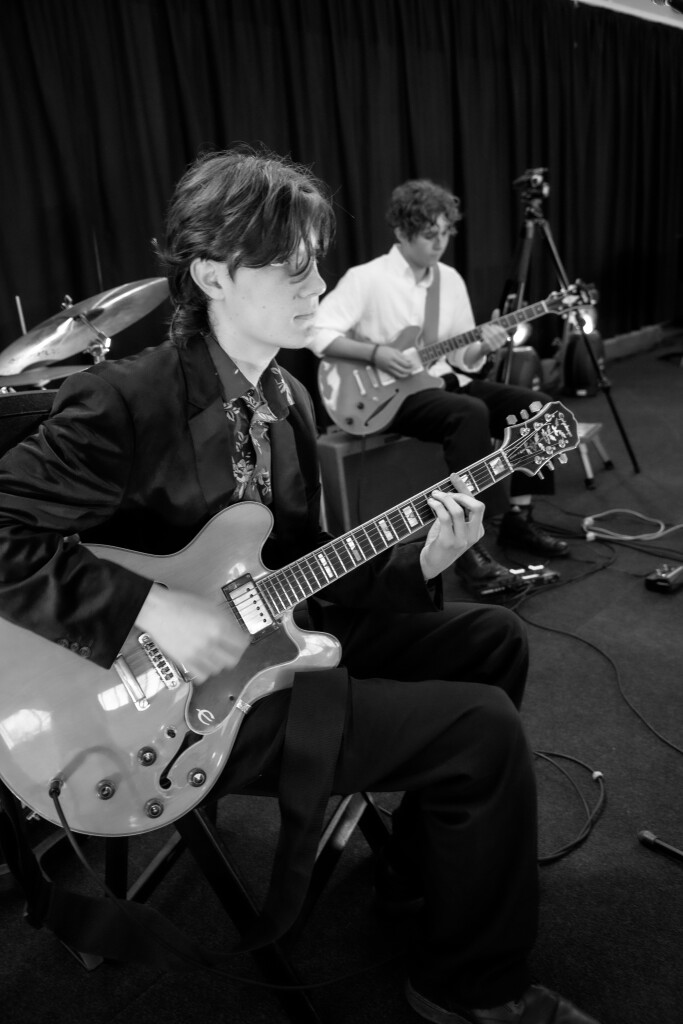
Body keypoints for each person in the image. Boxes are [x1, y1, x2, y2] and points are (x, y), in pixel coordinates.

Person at [0, 147, 599, 1024]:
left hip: (269, 647)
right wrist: (153, 609)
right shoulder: (123, 400)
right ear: (212, 274)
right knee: (482, 731)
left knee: (491, 639)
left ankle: (426, 875)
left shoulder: (286, 400)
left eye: (315, 260)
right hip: (173, 707)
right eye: (292, 265)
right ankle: (470, 990)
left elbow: (301, 561)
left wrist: (418, 561)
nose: (316, 282)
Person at [309, 178, 569, 597]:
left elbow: (463, 356)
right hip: (390, 397)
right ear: (402, 231)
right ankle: (469, 548)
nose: (440, 242)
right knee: (468, 414)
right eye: (429, 233)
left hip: (444, 382)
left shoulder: (450, 280)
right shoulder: (367, 278)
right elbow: (317, 332)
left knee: (539, 408)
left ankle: (519, 519)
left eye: (446, 232)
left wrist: (484, 345)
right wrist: (376, 354)